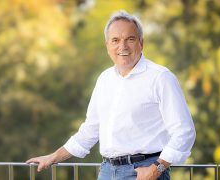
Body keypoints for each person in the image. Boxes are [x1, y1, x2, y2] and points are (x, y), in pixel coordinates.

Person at [26, 10, 196, 180]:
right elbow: (90, 130)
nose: (122, 46)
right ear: (107, 45)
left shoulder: (160, 77)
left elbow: (184, 131)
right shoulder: (104, 79)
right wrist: (52, 157)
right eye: (115, 40)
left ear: (141, 43)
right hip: (107, 172)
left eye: (130, 39)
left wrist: (156, 169)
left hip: (143, 173)